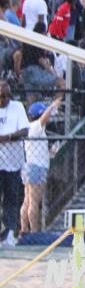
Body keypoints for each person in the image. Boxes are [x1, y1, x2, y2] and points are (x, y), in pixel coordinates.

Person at [20, 98, 60, 234]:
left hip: (30, 166)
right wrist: (52, 106)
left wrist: (50, 151)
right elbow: (43, 118)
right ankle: (34, 232)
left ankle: (24, 230)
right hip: (37, 167)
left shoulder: (30, 128)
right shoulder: (35, 126)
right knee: (34, 202)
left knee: (27, 200)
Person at [0, 80, 27, 246]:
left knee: (11, 199)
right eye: (1, 96)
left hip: (13, 163)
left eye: (7, 96)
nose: (4, 99)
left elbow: (25, 130)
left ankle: (9, 233)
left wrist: (8, 137)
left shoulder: (17, 107)